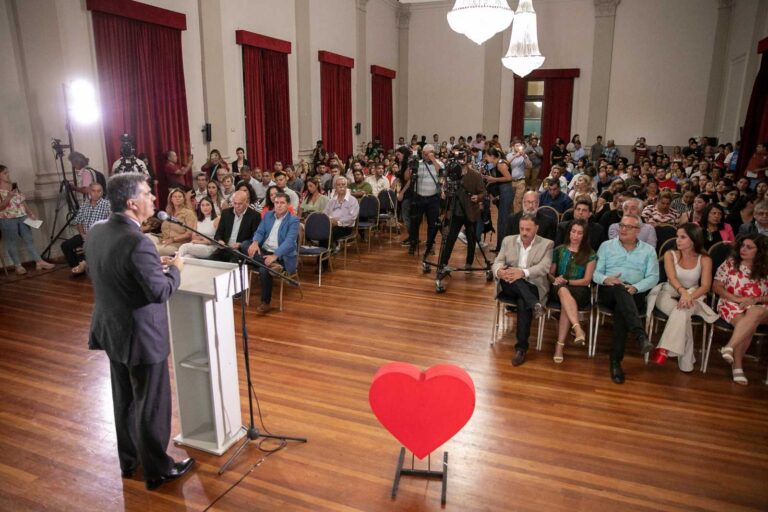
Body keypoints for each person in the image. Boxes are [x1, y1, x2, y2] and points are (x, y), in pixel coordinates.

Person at [84, 173, 194, 490]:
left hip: (111, 329)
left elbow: (107, 269)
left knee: (125, 400)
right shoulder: (137, 241)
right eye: (148, 193)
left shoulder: (97, 231)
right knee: (152, 402)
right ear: (132, 203)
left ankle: (129, 461)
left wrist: (147, 265)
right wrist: (175, 269)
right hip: (141, 335)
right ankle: (158, 469)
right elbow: (159, 293)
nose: (153, 199)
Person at [593, 214, 658, 384]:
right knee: (619, 290)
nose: (622, 229)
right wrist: (607, 279)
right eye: (621, 225)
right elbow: (595, 273)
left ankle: (615, 362)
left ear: (638, 230)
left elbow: (653, 277)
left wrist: (636, 287)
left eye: (628, 227)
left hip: (635, 293)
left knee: (622, 309)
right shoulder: (606, 246)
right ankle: (639, 335)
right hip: (609, 291)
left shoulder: (648, 251)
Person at [645, 224, 718, 372]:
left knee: (681, 312)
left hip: (695, 296)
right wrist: (683, 293)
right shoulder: (670, 254)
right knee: (682, 315)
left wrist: (689, 296)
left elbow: (705, 286)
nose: (677, 240)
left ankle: (665, 348)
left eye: (683, 237)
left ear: (694, 239)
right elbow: (671, 278)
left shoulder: (705, 259)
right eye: (678, 236)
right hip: (668, 293)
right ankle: (685, 361)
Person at [492, 214, 554, 367]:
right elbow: (498, 261)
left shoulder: (547, 244)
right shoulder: (508, 241)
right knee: (515, 282)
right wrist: (499, 271)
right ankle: (535, 305)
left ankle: (521, 348)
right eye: (522, 229)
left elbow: (544, 267)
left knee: (522, 301)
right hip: (508, 284)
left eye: (528, 229)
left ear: (536, 228)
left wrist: (523, 272)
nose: (524, 233)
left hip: (532, 285)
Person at [713, 234, 768, 385]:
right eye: (743, 246)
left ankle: (729, 347)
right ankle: (737, 366)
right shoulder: (730, 263)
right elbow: (716, 287)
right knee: (746, 323)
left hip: (761, 306)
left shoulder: (766, 268)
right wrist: (737, 299)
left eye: (749, 247)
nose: (744, 249)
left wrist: (756, 299)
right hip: (731, 302)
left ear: (760, 251)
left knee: (755, 312)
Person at [548, 219, 596, 363]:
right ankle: (577, 328)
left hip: (580, 290)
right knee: (562, 291)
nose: (575, 236)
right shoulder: (559, 250)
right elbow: (550, 274)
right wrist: (555, 280)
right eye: (573, 231)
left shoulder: (590, 254)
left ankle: (559, 347)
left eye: (579, 233)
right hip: (558, 288)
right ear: (569, 232)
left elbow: (587, 280)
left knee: (565, 301)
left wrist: (567, 281)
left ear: (585, 235)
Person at [243, 193, 300, 314]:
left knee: (263, 270)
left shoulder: (293, 220)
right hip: (264, 252)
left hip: (281, 256)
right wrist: (255, 242)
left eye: (282, 203)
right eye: (276, 203)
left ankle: (265, 303)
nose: (279, 206)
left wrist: (275, 256)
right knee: (244, 245)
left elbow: (289, 242)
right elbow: (260, 231)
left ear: (288, 205)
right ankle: (269, 265)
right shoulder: (268, 215)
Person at [0, 165, 55, 274]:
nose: (8, 175)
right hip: (7, 218)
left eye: (8, 172)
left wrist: (30, 213)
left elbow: (22, 200)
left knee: (29, 239)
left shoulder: (12, 185)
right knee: (12, 241)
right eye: (5, 173)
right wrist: (8, 197)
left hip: (22, 215)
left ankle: (39, 261)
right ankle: (18, 265)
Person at [436, 161, 486, 275]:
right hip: (455, 213)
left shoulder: (475, 175)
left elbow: (483, 192)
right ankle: (443, 263)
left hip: (470, 212)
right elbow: (447, 190)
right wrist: (444, 192)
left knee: (471, 238)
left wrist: (478, 197)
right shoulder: (451, 175)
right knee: (450, 239)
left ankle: (469, 263)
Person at [61, 182, 111, 276]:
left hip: (99, 236)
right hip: (85, 235)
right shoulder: (84, 205)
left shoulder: (107, 205)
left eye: (99, 191)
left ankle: (86, 264)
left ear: (102, 192)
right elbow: (79, 221)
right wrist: (82, 234)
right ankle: (77, 267)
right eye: (93, 191)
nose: (96, 193)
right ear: (89, 192)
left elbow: (110, 223)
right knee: (65, 245)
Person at [409, 144, 444, 257]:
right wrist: (409, 165)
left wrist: (433, 160)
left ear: (433, 153)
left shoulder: (439, 163)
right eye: (424, 154)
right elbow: (407, 177)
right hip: (418, 197)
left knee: (432, 224)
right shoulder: (417, 164)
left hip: (433, 198)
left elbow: (442, 174)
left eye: (427, 154)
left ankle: (430, 245)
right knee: (415, 223)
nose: (425, 156)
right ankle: (413, 244)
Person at [211, 190, 261, 262]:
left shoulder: (254, 216)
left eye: (240, 204)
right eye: (235, 203)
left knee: (232, 264)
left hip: (240, 251)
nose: (237, 206)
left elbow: (255, 238)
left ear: (246, 202)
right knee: (210, 261)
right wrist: (220, 240)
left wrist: (240, 244)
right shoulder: (226, 213)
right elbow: (218, 233)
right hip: (225, 248)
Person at [148, 189, 197, 257]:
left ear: (184, 199)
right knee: (146, 238)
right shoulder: (168, 213)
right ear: (171, 199)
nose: (177, 198)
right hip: (163, 239)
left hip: (178, 243)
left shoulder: (188, 213)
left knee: (156, 250)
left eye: (180, 197)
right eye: (175, 196)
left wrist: (173, 239)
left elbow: (189, 233)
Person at [322, 176, 360, 248]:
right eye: (338, 185)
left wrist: (337, 222)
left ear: (346, 186)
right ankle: (325, 253)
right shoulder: (332, 201)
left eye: (343, 184)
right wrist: (329, 220)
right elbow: (325, 213)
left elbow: (352, 218)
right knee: (322, 231)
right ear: (335, 188)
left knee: (328, 233)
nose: (341, 187)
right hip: (331, 224)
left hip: (345, 227)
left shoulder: (352, 200)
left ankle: (326, 254)